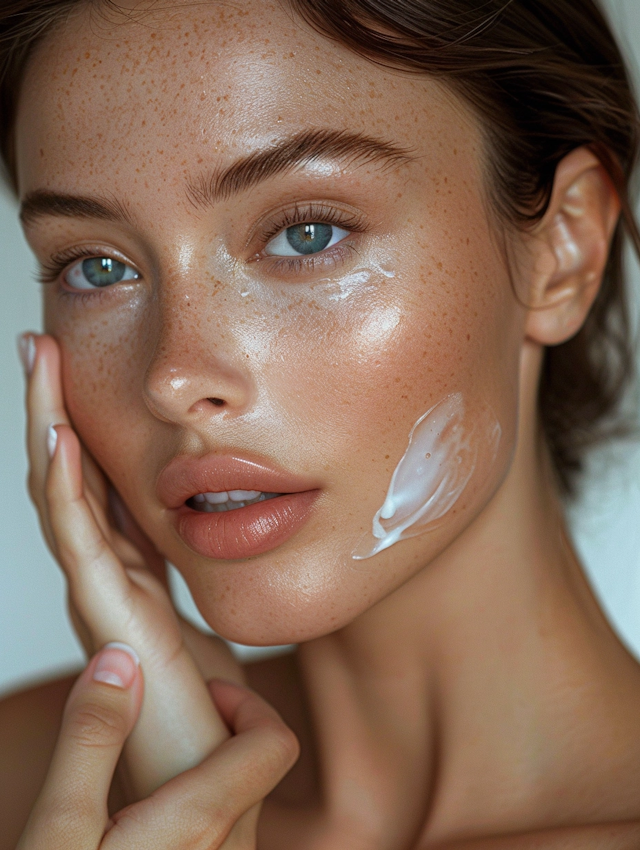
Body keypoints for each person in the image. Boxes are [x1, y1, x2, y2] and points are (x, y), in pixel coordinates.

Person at [2, 0, 640, 846]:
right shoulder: (31, 786)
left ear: (565, 247)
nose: (172, 377)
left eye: (307, 234)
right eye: (98, 265)